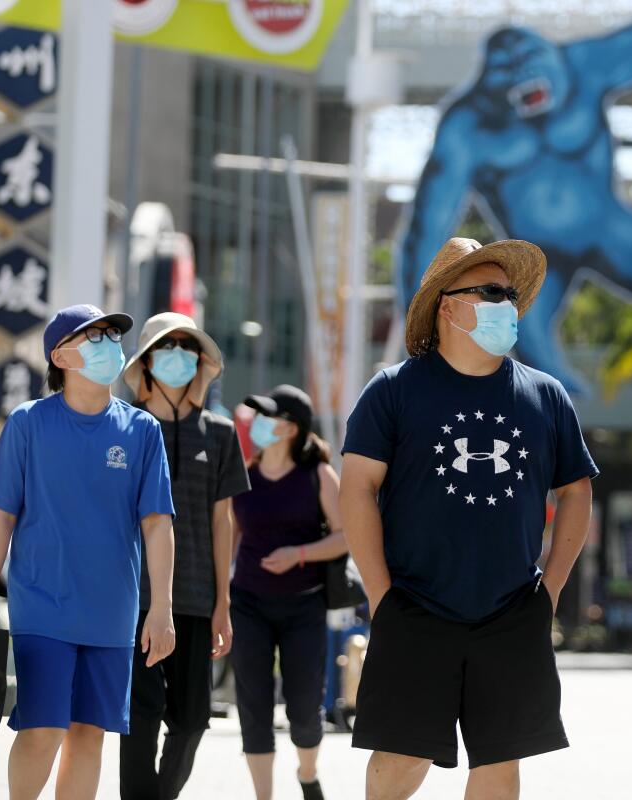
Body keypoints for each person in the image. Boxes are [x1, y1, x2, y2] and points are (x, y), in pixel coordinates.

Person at [341, 237, 598, 800]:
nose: (506, 303)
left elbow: (576, 493)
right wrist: (382, 596)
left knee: (501, 763)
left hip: (511, 611)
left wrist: (549, 592)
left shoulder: (547, 395)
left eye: (508, 294)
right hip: (413, 603)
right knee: (401, 759)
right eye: (489, 292)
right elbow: (357, 490)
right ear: (448, 304)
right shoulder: (393, 390)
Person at [0, 304, 176, 800]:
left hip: (112, 614)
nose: (110, 345)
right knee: (43, 729)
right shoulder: (27, 425)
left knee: (89, 734)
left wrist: (161, 608)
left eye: (112, 336)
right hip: (43, 607)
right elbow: (0, 520)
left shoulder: (142, 431)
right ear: (61, 355)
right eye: (95, 336)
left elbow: (158, 524)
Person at [118, 313, 251, 800]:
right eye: (166, 347)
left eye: (186, 347)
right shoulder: (125, 426)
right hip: (134, 599)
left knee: (193, 720)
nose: (177, 355)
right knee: (140, 716)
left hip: (196, 600)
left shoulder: (218, 433)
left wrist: (224, 602)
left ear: (201, 361)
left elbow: (223, 521)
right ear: (147, 361)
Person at [230, 384, 348, 800]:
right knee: (253, 705)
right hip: (247, 602)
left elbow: (344, 536)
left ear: (290, 428)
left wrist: (298, 553)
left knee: (303, 707)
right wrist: (219, 601)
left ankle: (307, 773)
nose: (257, 423)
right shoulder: (243, 472)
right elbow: (230, 538)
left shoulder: (318, 474)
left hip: (303, 606)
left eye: (267, 417)